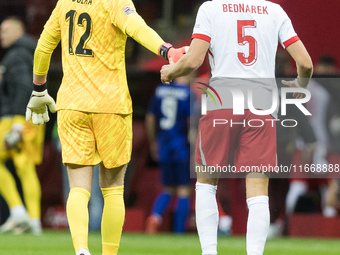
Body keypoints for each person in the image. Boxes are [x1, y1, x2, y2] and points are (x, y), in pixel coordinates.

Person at [25, 1, 186, 255]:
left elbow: (44, 46)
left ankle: (80, 249)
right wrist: (167, 51)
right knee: (113, 189)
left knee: (78, 188)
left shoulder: (65, 2)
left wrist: (39, 89)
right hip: (111, 105)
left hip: (72, 105)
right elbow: (137, 27)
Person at [161, 1, 313, 254]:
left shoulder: (211, 8)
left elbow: (194, 60)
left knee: (207, 182)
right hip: (262, 105)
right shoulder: (274, 11)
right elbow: (305, 63)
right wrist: (300, 87)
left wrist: (170, 72)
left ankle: (209, 252)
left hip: (222, 101)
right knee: (258, 191)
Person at [0, 16, 44, 235]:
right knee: (25, 168)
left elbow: (24, 87)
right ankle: (32, 219)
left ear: (19, 31)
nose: (2, 36)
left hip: (18, 118)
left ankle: (19, 212)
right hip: (32, 116)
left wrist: (17, 123)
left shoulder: (16, 55)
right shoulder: (31, 52)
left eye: (5, 31)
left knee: (21, 167)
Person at [145, 75, 192, 234]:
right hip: (181, 146)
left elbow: (150, 118)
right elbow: (191, 122)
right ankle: (179, 232)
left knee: (167, 188)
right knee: (184, 190)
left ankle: (155, 216)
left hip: (164, 145)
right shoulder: (187, 93)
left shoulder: (160, 90)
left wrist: (153, 142)